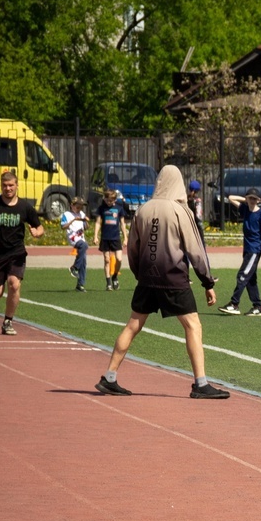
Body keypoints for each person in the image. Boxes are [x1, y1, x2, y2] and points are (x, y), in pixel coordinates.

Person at [94, 166, 229, 400]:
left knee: (133, 325)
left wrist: (140, 274)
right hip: (173, 277)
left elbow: (133, 249)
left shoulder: (143, 210)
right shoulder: (181, 210)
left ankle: (109, 376)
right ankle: (201, 383)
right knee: (193, 326)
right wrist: (207, 282)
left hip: (147, 278)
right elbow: (195, 249)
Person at [0, 170, 45, 334]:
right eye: (5, 185)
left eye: (11, 185)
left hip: (16, 253)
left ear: (17, 185)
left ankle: (8, 322)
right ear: (1, 186)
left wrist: (38, 233)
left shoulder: (25, 207)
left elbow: (39, 227)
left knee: (14, 284)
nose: (8, 188)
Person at [218, 188, 261, 316]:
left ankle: (234, 304)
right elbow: (230, 198)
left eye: (254, 198)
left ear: (258, 200)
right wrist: (245, 199)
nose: (252, 200)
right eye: (250, 198)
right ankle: (258, 307)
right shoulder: (245, 209)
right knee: (250, 280)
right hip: (247, 250)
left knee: (242, 276)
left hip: (254, 250)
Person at [93, 188, 127, 291]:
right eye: (107, 200)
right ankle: (108, 283)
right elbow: (98, 222)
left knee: (119, 259)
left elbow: (122, 223)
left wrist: (125, 237)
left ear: (115, 200)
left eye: (111, 201)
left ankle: (115, 276)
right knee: (107, 260)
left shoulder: (119, 208)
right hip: (105, 238)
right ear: (104, 199)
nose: (109, 203)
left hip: (115, 238)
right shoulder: (101, 208)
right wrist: (95, 236)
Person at [62, 195, 91, 292]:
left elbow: (86, 227)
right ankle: (74, 267)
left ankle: (80, 284)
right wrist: (73, 220)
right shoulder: (67, 214)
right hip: (73, 238)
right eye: (78, 206)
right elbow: (63, 226)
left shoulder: (82, 214)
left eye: (81, 207)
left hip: (81, 238)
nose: (79, 209)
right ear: (72, 205)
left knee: (83, 261)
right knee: (84, 245)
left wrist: (86, 221)